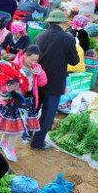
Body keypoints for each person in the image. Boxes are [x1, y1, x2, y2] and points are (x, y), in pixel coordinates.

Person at [31, 11, 80, 150]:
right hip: (55, 82)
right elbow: (74, 61)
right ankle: (38, 142)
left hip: (38, 79)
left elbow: (34, 57)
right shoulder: (68, 39)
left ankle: (27, 134)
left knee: (34, 108)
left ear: (49, 22)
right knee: (48, 113)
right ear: (62, 23)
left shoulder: (40, 36)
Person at [0, 46, 47, 161]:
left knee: (14, 126)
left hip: (27, 101)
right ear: (25, 55)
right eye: (32, 60)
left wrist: (39, 73)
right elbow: (5, 86)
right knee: (18, 128)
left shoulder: (36, 67)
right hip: (14, 102)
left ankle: (2, 142)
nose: (34, 62)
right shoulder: (14, 66)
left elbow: (43, 82)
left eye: (36, 60)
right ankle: (9, 148)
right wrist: (11, 86)